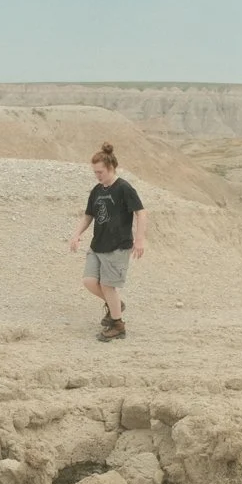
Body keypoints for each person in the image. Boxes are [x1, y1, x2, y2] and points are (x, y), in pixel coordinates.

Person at [67, 142, 145, 342]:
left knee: (108, 286)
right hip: (98, 245)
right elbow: (88, 216)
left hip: (117, 247)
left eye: (100, 172)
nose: (97, 176)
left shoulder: (124, 188)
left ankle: (118, 325)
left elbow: (141, 212)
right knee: (89, 281)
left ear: (110, 168)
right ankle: (115, 304)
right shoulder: (97, 190)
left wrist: (139, 240)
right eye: (95, 172)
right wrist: (76, 234)